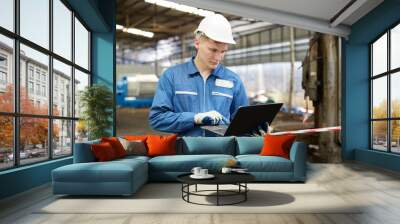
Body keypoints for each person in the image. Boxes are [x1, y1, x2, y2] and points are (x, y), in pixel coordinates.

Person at [149, 14, 249, 136]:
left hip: (223, 152)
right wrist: (195, 118)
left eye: (223, 51)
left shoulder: (233, 80)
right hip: (185, 152)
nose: (218, 57)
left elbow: (242, 124)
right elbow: (157, 118)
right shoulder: (172, 76)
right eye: (213, 50)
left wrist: (254, 128)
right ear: (197, 43)